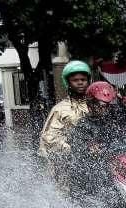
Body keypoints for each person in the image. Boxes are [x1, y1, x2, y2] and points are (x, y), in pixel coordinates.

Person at [66, 81, 126, 198]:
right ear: (90, 104)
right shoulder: (83, 126)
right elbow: (79, 150)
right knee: (110, 193)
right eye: (101, 104)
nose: (104, 108)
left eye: (107, 105)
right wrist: (90, 149)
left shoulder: (110, 122)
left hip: (114, 168)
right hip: (91, 175)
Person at [38, 60, 91, 190]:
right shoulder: (60, 109)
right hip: (69, 163)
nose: (80, 82)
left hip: (96, 159)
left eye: (83, 79)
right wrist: (73, 149)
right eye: (75, 80)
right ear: (68, 83)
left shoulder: (96, 105)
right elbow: (49, 138)